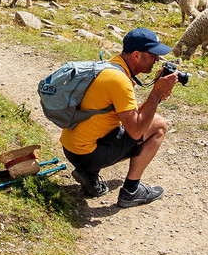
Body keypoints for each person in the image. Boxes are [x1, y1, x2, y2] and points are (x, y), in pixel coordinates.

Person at [60, 27, 177, 209]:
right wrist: (156, 94)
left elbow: (128, 116)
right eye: (153, 55)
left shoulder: (111, 66)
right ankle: (131, 191)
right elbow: (136, 130)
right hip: (87, 154)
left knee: (132, 124)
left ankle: (89, 174)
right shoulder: (119, 80)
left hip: (72, 148)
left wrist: (158, 95)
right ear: (137, 55)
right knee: (159, 125)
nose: (157, 60)